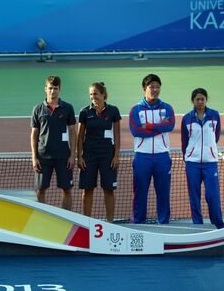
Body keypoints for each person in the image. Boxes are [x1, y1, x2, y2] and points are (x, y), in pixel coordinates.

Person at [129, 74, 175, 224]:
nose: (155, 90)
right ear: (144, 89)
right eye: (151, 87)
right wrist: (159, 127)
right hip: (142, 157)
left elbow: (170, 126)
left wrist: (148, 126)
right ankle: (139, 221)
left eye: (157, 87)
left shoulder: (167, 107)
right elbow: (136, 131)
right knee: (140, 191)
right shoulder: (135, 110)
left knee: (163, 192)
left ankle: (163, 222)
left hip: (162, 156)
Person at [30, 75, 77, 210]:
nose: (52, 91)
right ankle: (40, 220)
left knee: (66, 190)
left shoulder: (67, 108)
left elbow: (73, 132)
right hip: (43, 157)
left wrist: (72, 155)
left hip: (63, 157)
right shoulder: (38, 109)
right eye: (50, 88)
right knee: (40, 190)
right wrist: (34, 157)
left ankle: (67, 219)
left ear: (59, 89)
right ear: (45, 89)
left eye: (55, 88)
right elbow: (34, 134)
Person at [77, 82, 121, 222]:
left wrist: (116, 156)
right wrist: (79, 156)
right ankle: (87, 222)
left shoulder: (113, 111)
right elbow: (79, 137)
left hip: (107, 156)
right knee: (87, 190)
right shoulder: (85, 112)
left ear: (103, 94)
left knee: (108, 189)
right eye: (91, 94)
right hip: (89, 156)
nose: (93, 97)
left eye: (95, 93)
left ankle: (110, 222)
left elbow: (117, 135)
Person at [181, 88, 223, 229]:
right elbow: (184, 141)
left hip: (210, 162)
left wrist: (210, 150)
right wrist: (189, 155)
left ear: (206, 100)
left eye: (202, 99)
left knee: (213, 195)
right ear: (193, 101)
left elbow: (216, 136)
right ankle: (197, 224)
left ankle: (218, 223)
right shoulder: (187, 118)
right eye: (197, 99)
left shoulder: (215, 115)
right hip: (192, 163)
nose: (200, 102)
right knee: (194, 195)